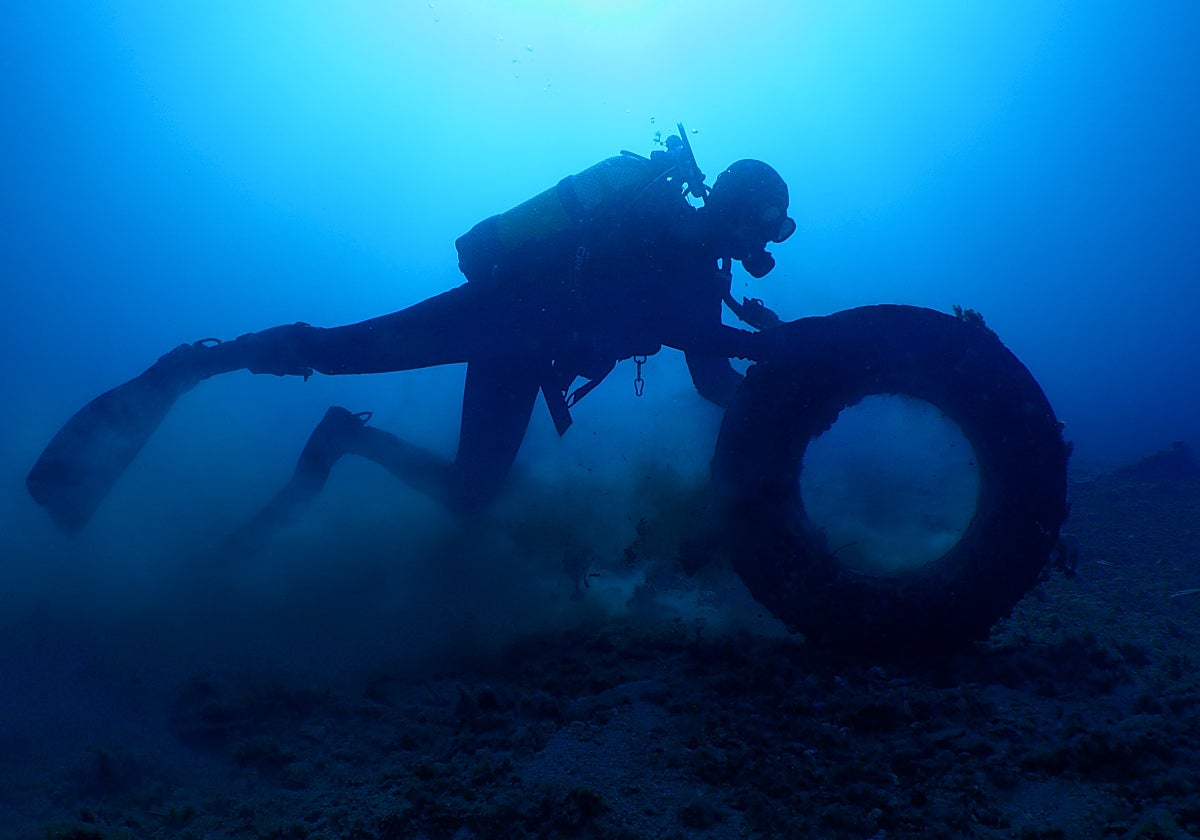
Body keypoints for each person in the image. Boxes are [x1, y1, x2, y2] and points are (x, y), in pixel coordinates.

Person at [27, 127, 795, 534]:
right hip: (495, 317)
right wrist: (774, 357)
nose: (762, 247)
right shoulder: (661, 220)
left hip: (522, 357)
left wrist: (781, 393)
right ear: (734, 208)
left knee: (470, 497)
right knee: (334, 351)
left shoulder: (703, 281)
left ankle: (345, 440)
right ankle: (199, 365)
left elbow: (710, 379)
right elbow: (690, 342)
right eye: (765, 228)